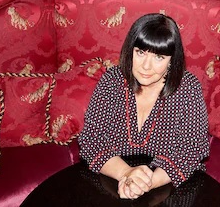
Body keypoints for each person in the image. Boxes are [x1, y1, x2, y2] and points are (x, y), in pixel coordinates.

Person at [78, 13, 209, 200]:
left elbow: (191, 150)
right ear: (130, 50)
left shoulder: (187, 88)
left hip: (170, 186)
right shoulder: (111, 81)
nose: (146, 66)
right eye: (140, 52)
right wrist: (126, 174)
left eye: (159, 57)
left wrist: (144, 184)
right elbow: (91, 140)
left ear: (172, 59)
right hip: (113, 180)